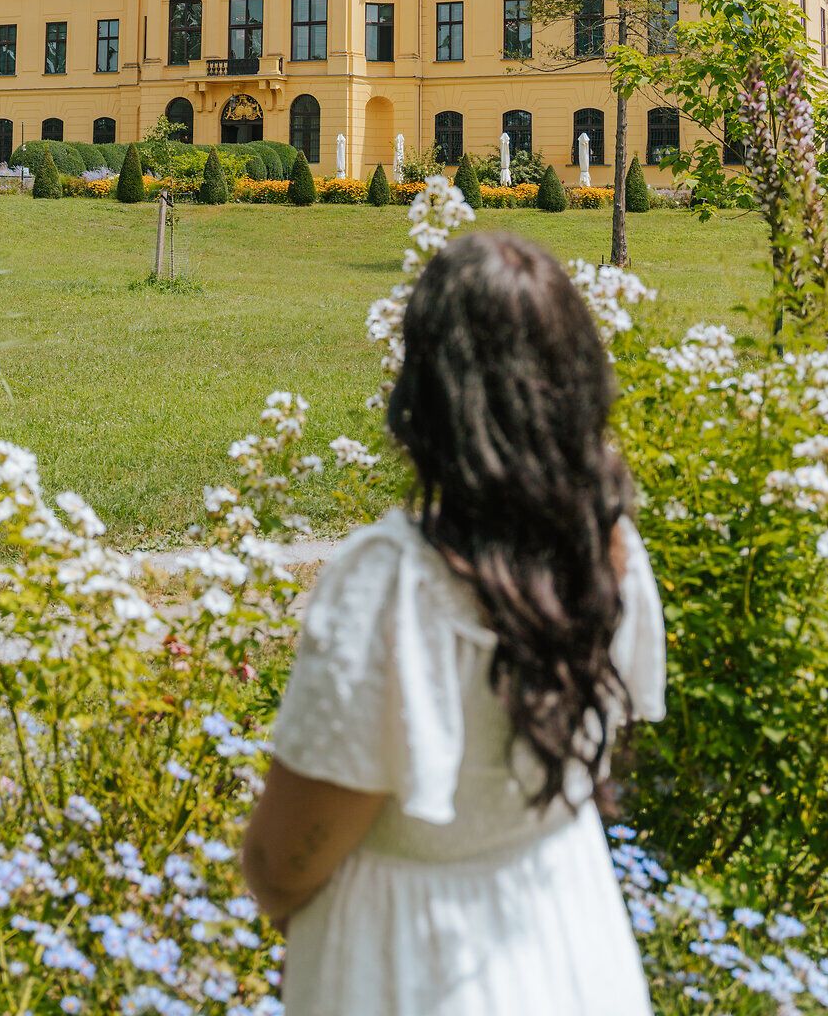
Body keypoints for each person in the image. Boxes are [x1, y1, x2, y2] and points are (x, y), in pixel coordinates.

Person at [241, 231, 665, 1016]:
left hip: (411, 967)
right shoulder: (609, 552)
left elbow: (283, 864)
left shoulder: (394, 583)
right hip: (570, 943)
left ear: (424, 396)